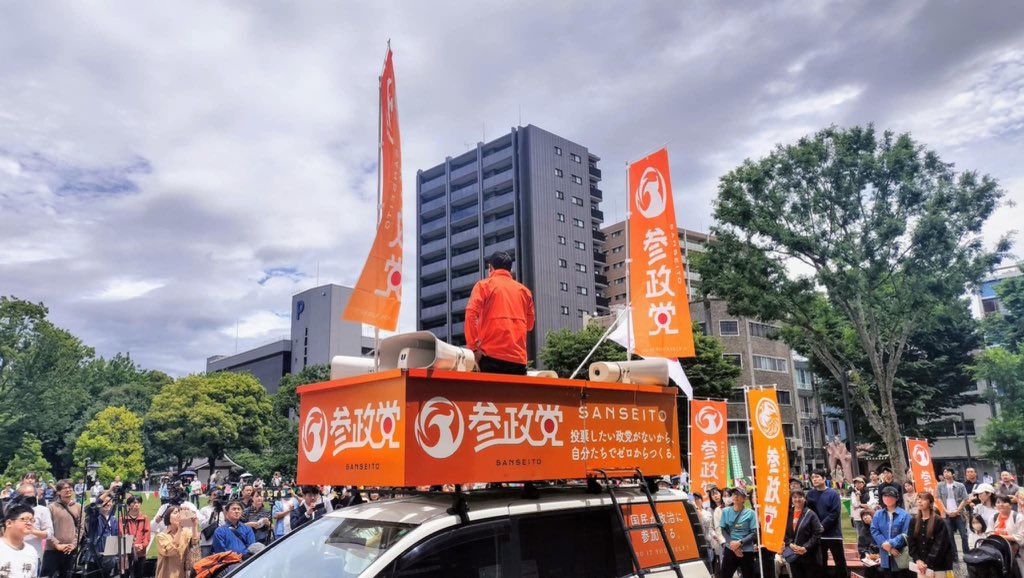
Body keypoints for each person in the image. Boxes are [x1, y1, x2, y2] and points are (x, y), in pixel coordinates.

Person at [464, 250, 535, 375]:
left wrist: (474, 349)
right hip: (518, 360)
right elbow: (529, 325)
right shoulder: (525, 292)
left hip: (490, 357)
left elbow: (471, 314)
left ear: (490, 268)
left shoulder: (483, 286)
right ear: (510, 270)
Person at [806, 469, 847, 577]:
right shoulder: (810, 494)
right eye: (812, 477)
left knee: (840, 563)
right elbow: (808, 513)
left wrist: (821, 526)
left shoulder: (833, 494)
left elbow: (835, 513)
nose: (814, 479)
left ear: (824, 478)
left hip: (833, 534)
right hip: (817, 536)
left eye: (817, 476)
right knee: (820, 563)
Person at [907, 492, 954, 577]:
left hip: (938, 565)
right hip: (920, 566)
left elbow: (940, 545)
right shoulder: (913, 521)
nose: (919, 501)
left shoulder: (939, 521)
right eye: (918, 499)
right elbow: (911, 542)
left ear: (931, 503)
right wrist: (917, 560)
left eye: (923, 499)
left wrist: (927, 563)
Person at [43, 479, 82, 578]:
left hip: (70, 550)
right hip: (52, 550)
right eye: (65, 488)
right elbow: (46, 528)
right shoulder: (51, 507)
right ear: (58, 492)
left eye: (70, 487)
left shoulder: (78, 507)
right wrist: (57, 544)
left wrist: (73, 544)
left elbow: (81, 528)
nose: (68, 490)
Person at [871, 486, 912, 578]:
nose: (887, 498)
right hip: (884, 555)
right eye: (885, 496)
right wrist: (884, 545)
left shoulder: (905, 515)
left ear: (897, 498)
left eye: (890, 496)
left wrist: (890, 544)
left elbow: (906, 533)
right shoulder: (878, 514)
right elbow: (874, 530)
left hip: (900, 554)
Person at [784, 489, 824, 578]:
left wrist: (805, 547)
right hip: (793, 555)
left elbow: (818, 533)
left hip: (809, 556)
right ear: (791, 499)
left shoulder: (811, 514)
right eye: (794, 497)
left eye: (800, 497)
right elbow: (783, 532)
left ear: (804, 499)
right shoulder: (787, 514)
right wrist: (790, 544)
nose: (797, 499)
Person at [719, 487, 758, 578]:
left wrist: (740, 543)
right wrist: (732, 544)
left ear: (744, 498)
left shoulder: (751, 513)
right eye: (734, 494)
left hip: (746, 551)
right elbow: (723, 530)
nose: (735, 496)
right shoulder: (725, 511)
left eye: (738, 494)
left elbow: (754, 533)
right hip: (730, 549)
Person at [13, 482, 52, 571]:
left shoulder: (43, 510)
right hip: (13, 555)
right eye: (26, 497)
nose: (30, 499)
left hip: (33, 556)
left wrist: (32, 531)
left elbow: (49, 534)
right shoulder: (12, 510)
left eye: (32, 496)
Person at [155, 505, 200, 578]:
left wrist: (194, 525)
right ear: (168, 517)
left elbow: (194, 543)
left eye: (180, 513)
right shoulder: (161, 536)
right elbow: (171, 550)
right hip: (166, 574)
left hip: (181, 574)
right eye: (175, 513)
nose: (178, 515)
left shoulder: (185, 532)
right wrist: (179, 529)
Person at [935, 467, 969, 562]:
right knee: (949, 535)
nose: (946, 474)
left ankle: (966, 554)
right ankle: (954, 556)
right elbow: (939, 498)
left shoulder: (960, 485)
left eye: (948, 472)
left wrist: (958, 510)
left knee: (964, 535)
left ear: (953, 474)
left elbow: (965, 499)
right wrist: (945, 510)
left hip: (959, 513)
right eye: (944, 472)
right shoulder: (940, 485)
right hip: (946, 514)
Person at [0, 504, 39, 578]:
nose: (29, 523)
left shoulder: (31, 551)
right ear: (9, 523)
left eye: (31, 520)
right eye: (24, 519)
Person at [120, 496, 151, 578]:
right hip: (127, 552)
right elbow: (122, 534)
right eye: (134, 503)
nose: (137, 504)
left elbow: (147, 534)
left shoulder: (145, 518)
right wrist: (133, 546)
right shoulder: (122, 519)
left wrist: (142, 545)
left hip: (140, 552)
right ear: (128, 505)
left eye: (139, 502)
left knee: (139, 574)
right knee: (125, 575)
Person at [691, 492, 715, 573]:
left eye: (697, 499)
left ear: (702, 500)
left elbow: (705, 522)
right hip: (694, 546)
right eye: (694, 499)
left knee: (708, 569)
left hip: (705, 544)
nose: (696, 501)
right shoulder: (690, 514)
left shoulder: (707, 513)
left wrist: (696, 508)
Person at [197, 490, 225, 557]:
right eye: (214, 495)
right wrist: (213, 516)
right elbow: (202, 525)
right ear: (210, 497)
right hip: (207, 542)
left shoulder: (225, 509)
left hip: (222, 541)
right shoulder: (204, 510)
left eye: (218, 495)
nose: (216, 497)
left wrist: (224, 510)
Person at [857, 506, 882, 578]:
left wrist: (881, 556)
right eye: (863, 516)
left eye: (867, 515)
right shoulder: (863, 531)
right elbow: (861, 546)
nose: (864, 517)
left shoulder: (881, 528)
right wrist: (866, 554)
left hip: (882, 557)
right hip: (869, 558)